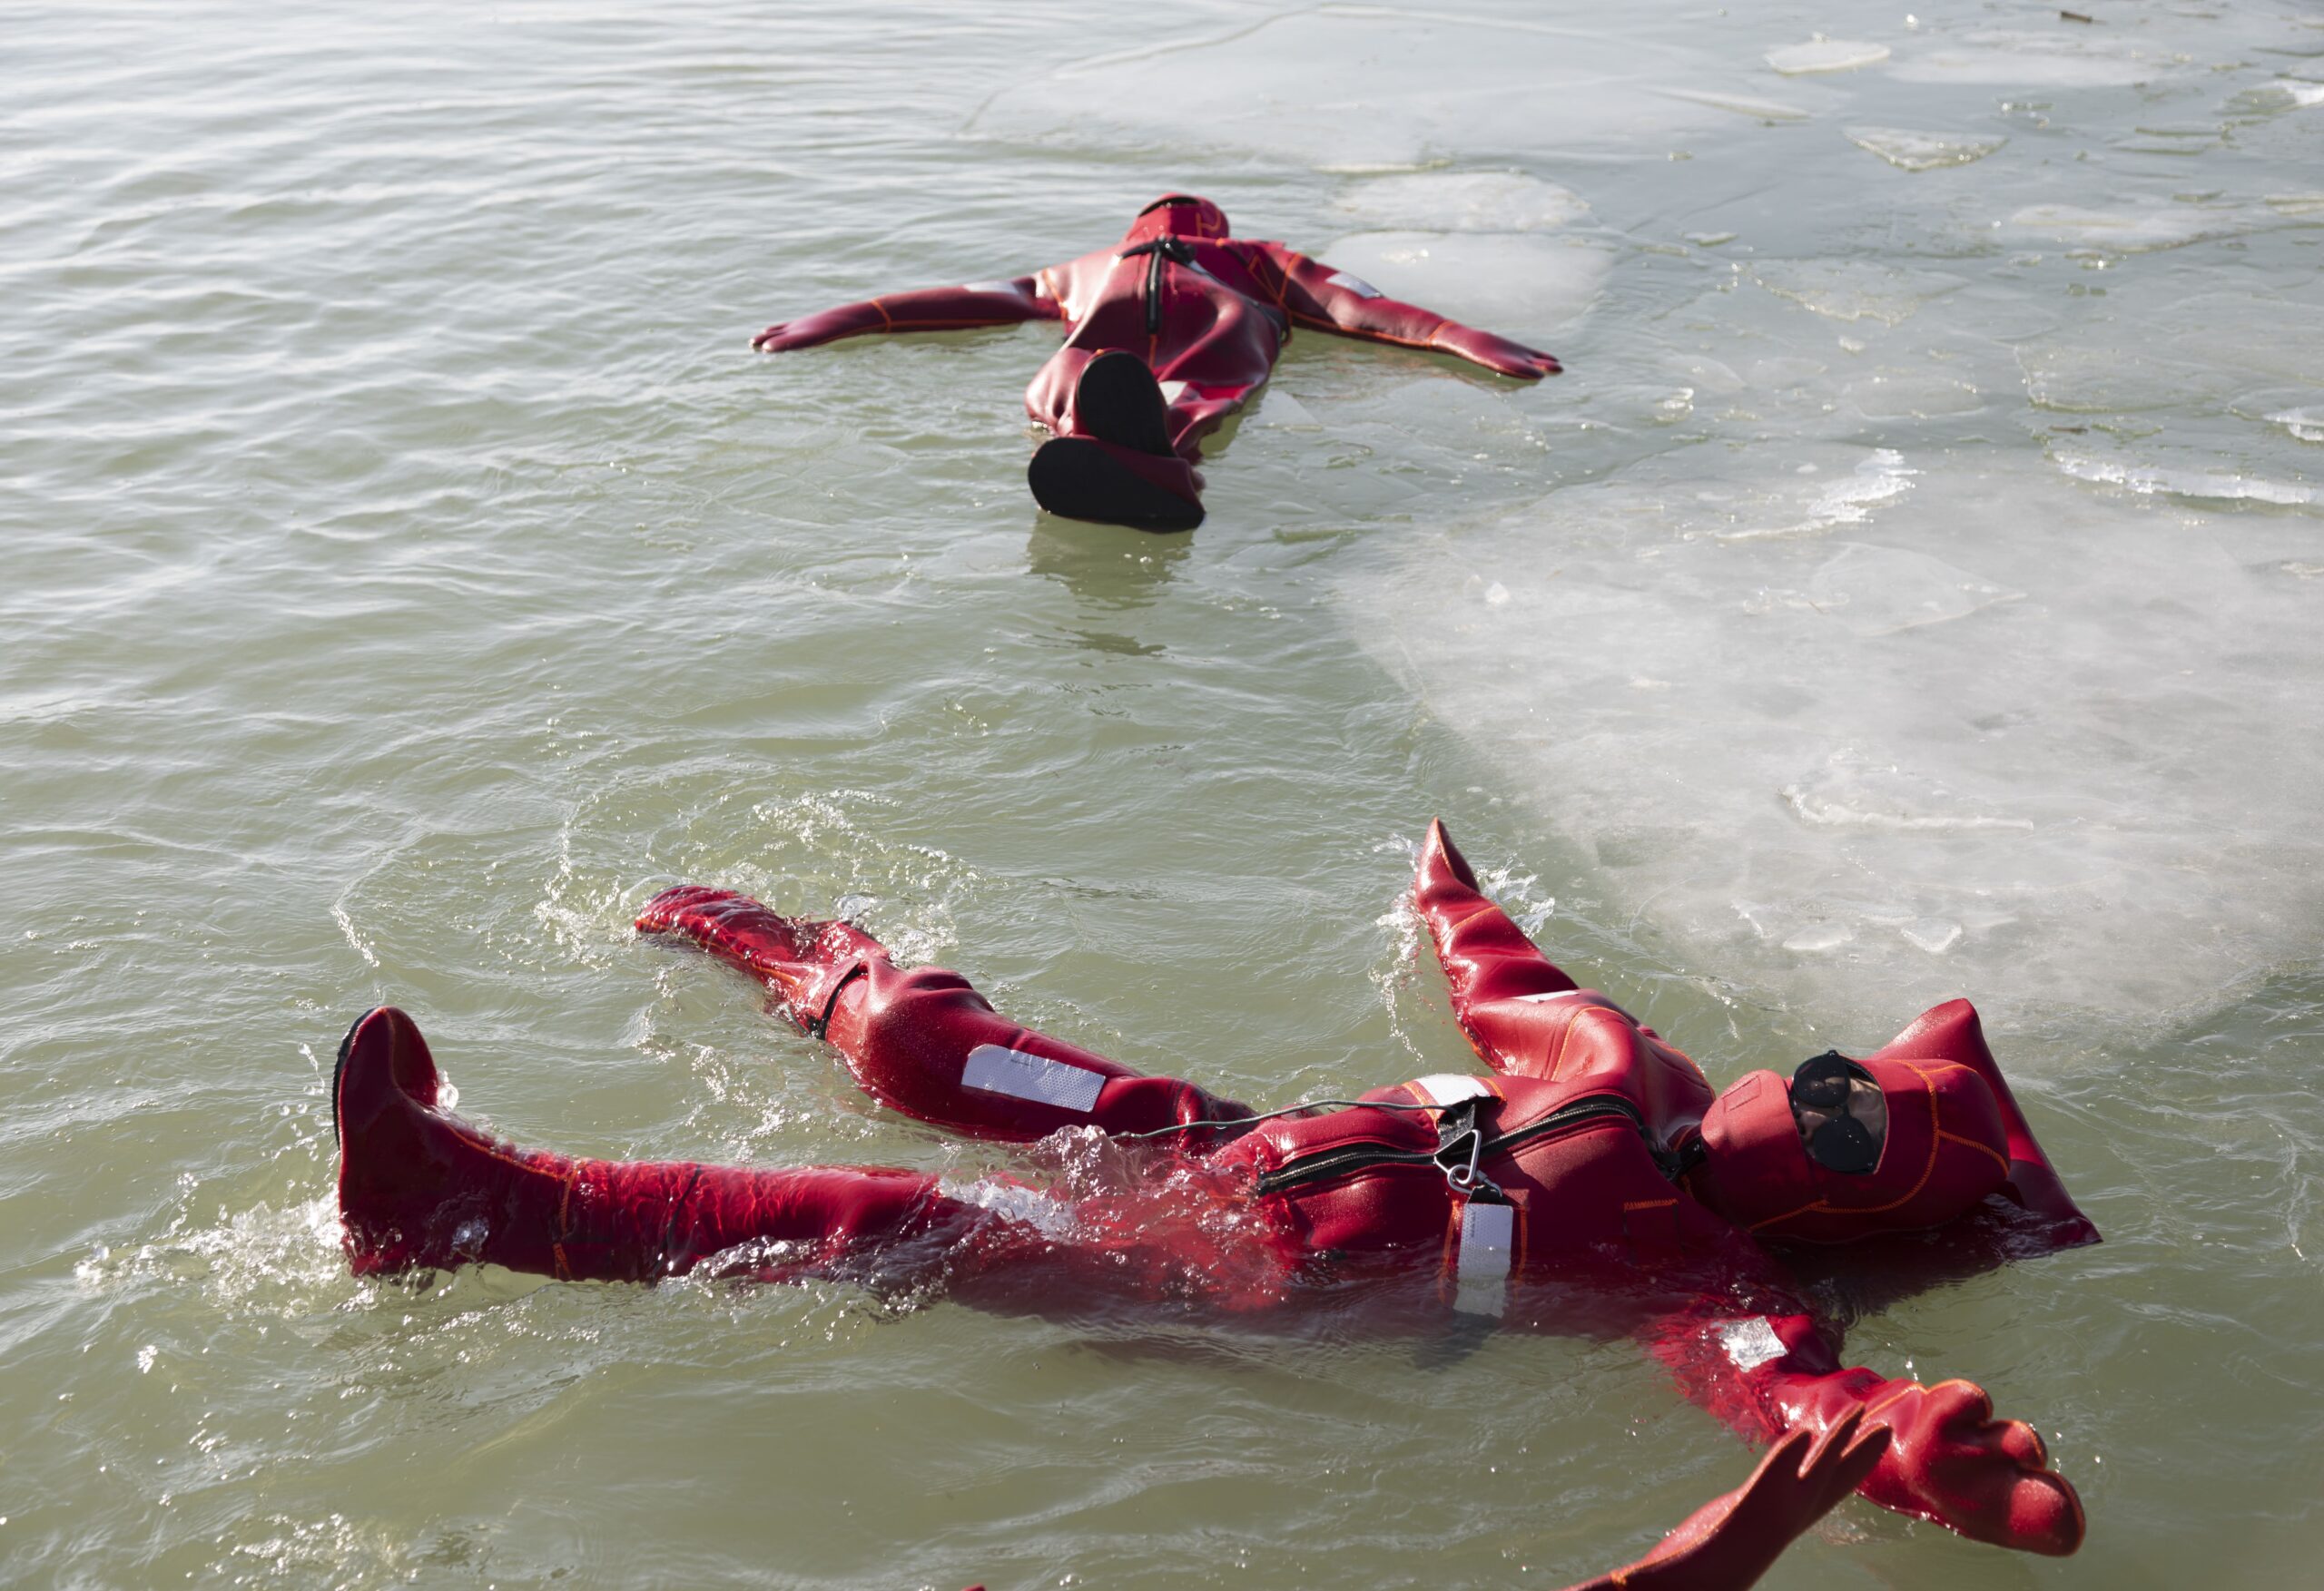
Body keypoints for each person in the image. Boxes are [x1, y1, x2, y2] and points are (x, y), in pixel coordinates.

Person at [332, 821, 2096, 1557]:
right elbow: (1502, 972)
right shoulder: (1615, 1068)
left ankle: (473, 1210)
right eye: (1843, 1077)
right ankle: (804, 960)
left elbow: (1800, 1395)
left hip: (1215, 1275)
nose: (1820, 1100)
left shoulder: (1695, 1268)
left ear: (1847, 1218)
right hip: (1205, 1139)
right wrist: (1448, 893)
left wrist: (1915, 1439)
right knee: (926, 1052)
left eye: (1855, 1136)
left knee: (895, 1225)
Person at [749, 194, 1562, 531]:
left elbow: (978, 296)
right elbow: (1363, 307)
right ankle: (1146, 455)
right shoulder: (1244, 260)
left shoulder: (1104, 266)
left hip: (1145, 327)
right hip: (1203, 325)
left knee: (1081, 380)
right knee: (1151, 386)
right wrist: (1473, 342)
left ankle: (1117, 447)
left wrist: (848, 317)